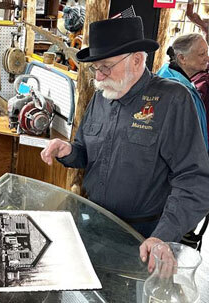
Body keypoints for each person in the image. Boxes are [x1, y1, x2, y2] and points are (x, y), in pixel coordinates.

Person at [40, 17, 209, 272]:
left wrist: (162, 236)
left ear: (137, 60)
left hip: (142, 242)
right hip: (93, 228)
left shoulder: (173, 100)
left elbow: (195, 181)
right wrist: (69, 151)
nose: (98, 76)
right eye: (95, 68)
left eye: (106, 67)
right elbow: (86, 152)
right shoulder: (103, 95)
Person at [157, 33, 209, 151]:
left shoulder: (174, 76)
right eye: (202, 54)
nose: (207, 58)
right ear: (182, 58)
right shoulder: (174, 89)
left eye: (207, 52)